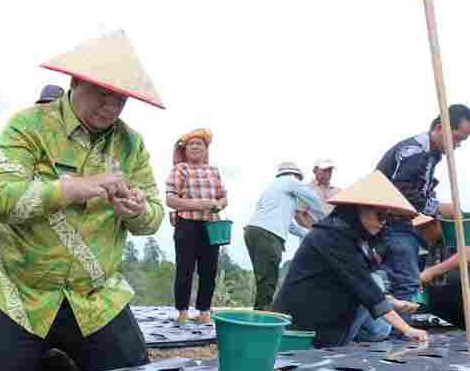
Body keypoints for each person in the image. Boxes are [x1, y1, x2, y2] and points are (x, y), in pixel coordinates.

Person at [0, 29, 164, 371]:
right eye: (103, 93)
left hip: (95, 298)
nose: (111, 106)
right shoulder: (29, 126)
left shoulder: (130, 145)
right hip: (17, 294)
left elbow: (153, 217)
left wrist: (135, 210)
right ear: (75, 82)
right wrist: (71, 189)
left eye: (120, 99)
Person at [273, 171, 428, 346]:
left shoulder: (355, 239)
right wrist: (407, 329)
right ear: (358, 210)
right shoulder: (330, 237)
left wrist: (394, 303)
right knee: (375, 285)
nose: (382, 223)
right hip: (301, 327)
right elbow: (364, 286)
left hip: (328, 316)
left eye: (388, 218)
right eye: (380, 216)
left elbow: (361, 282)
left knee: (379, 316)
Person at [376, 104, 470, 303]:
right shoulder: (417, 151)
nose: (457, 145)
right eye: (457, 138)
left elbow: (416, 190)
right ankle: (400, 323)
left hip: (400, 223)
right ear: (439, 128)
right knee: (406, 284)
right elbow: (401, 192)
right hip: (390, 223)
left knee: (404, 281)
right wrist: (437, 207)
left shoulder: (431, 154)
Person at [165, 129, 227, 325]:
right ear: (185, 149)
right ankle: (182, 312)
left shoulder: (213, 171)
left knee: (209, 269)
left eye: (199, 144)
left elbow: (223, 197)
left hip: (211, 225)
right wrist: (201, 204)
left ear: (206, 149)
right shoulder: (180, 169)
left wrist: (219, 205)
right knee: (184, 268)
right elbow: (171, 200)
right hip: (186, 224)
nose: (195, 147)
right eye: (191, 144)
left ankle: (204, 312)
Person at [245, 162, 324, 309]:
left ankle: (261, 312)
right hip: (268, 234)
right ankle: (263, 315)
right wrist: (324, 222)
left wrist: (307, 233)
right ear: (296, 175)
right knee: (268, 280)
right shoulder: (290, 181)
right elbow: (313, 199)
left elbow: (288, 224)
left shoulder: (272, 188)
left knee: (262, 279)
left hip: (252, 231)